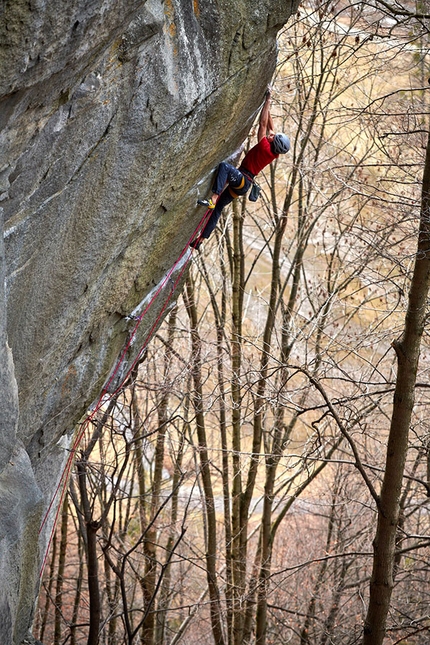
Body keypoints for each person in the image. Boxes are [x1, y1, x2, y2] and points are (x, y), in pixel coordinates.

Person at [191, 89, 290, 249]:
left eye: (273, 137)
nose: (272, 134)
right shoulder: (274, 153)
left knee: (224, 167)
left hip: (242, 179)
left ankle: (214, 197)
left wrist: (268, 102)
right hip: (244, 185)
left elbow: (263, 125)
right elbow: (271, 128)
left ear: (273, 142)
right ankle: (200, 240)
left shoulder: (265, 147)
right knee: (217, 210)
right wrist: (267, 104)